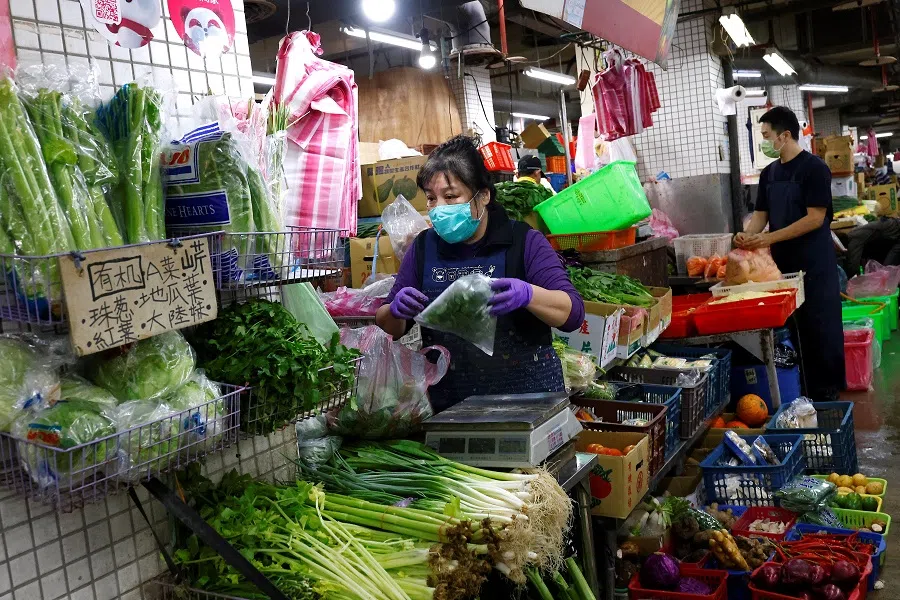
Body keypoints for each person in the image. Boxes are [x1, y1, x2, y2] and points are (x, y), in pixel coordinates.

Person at [376, 136, 586, 412]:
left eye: (451, 197)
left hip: (529, 402)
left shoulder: (523, 242)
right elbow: (387, 325)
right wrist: (395, 310)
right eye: (431, 198)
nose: (439, 208)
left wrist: (529, 294)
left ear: (483, 195)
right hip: (451, 407)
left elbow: (573, 314)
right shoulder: (423, 248)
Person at [735, 106, 846, 401]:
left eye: (767, 136)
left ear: (785, 135)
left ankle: (825, 395)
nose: (764, 142)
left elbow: (815, 218)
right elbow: (760, 214)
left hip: (814, 263)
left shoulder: (814, 168)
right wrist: (748, 234)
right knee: (789, 331)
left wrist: (768, 237)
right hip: (781, 267)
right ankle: (795, 392)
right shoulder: (769, 173)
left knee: (819, 328)